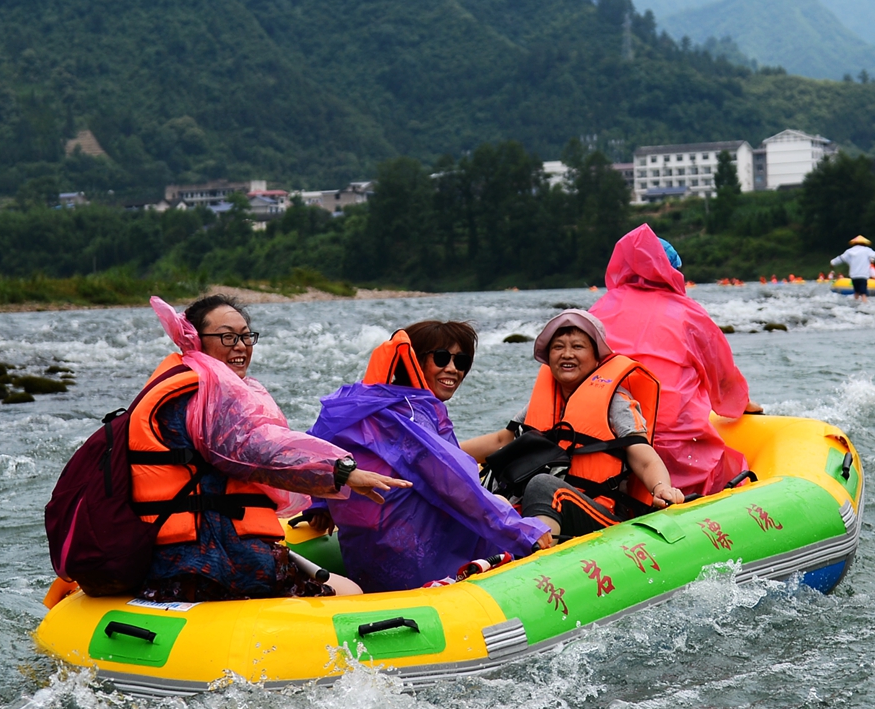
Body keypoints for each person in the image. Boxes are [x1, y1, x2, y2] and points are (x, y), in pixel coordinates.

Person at [131, 295, 404, 601]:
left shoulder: (183, 380)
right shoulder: (205, 394)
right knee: (350, 593)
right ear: (196, 340)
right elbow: (258, 449)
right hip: (213, 560)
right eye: (227, 336)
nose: (241, 345)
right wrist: (342, 471)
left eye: (246, 336)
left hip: (176, 555)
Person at [311, 323, 551, 589]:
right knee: (499, 503)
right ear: (414, 360)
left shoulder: (358, 400)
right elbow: (458, 488)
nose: (453, 369)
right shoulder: (415, 414)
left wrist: (319, 506)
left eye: (461, 361)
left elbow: (319, 445)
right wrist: (523, 531)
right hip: (414, 564)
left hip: (364, 560)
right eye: (441, 358)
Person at [463, 311, 684, 545]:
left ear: (596, 357)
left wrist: (661, 488)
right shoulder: (543, 402)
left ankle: (540, 549)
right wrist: (441, 451)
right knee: (486, 493)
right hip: (545, 507)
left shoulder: (616, 401)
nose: (567, 354)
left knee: (541, 484)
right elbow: (502, 441)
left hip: (602, 516)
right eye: (558, 347)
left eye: (578, 346)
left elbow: (645, 459)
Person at [585, 226, 758, 497]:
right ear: (674, 271)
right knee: (726, 472)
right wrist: (742, 403)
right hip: (677, 451)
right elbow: (722, 381)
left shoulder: (597, 311)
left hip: (603, 446)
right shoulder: (689, 314)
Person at [830, 234, 875, 301]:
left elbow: (840, 258)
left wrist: (832, 263)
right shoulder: (866, 250)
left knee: (856, 292)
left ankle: (855, 303)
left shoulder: (849, 251)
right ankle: (865, 305)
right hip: (863, 275)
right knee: (863, 293)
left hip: (854, 276)